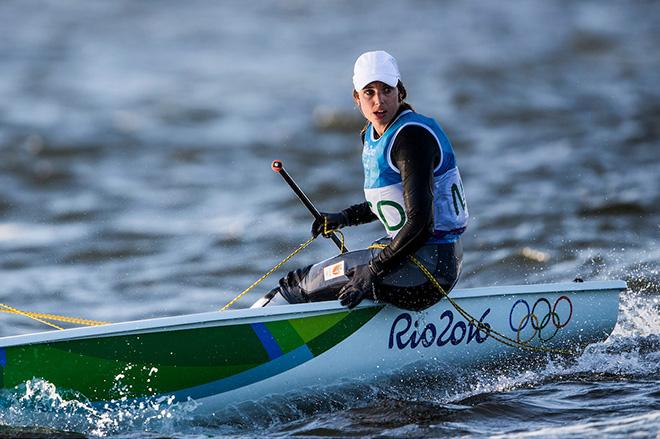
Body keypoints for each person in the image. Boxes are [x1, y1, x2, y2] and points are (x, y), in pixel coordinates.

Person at [252, 50, 468, 311]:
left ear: (400, 92)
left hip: (428, 270)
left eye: (387, 90)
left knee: (298, 285)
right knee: (335, 277)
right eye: (369, 93)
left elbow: (422, 223)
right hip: (424, 264)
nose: (379, 101)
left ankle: (248, 335)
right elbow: (394, 205)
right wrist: (344, 217)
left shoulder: (410, 139)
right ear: (357, 98)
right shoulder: (375, 136)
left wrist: (374, 270)